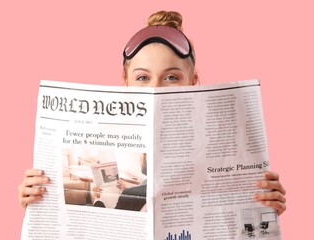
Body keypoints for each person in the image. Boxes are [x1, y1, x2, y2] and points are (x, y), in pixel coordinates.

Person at [18, 10, 287, 215]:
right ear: (126, 81)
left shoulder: (226, 135)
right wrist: (39, 196)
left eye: (171, 77)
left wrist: (267, 203)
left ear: (192, 82)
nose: (156, 89)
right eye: (143, 78)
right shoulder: (103, 131)